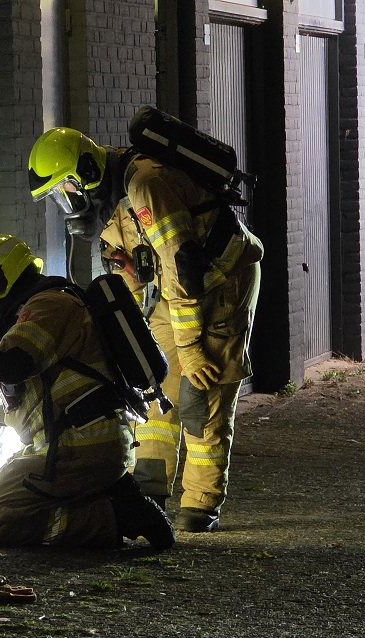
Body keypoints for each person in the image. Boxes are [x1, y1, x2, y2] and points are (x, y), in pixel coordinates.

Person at [28, 125, 263, 533]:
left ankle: (201, 503)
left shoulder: (146, 184)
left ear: (83, 171)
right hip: (176, 289)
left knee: (199, 391)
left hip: (223, 281)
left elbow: (182, 266)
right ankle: (151, 486)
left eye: (64, 190)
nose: (65, 203)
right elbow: (133, 269)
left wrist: (190, 347)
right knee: (155, 384)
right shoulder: (111, 199)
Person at [0, 233, 175, 550]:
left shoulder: (51, 305)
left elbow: (11, 363)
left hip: (81, 443)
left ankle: (115, 516)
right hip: (65, 443)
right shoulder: (23, 321)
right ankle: (109, 495)